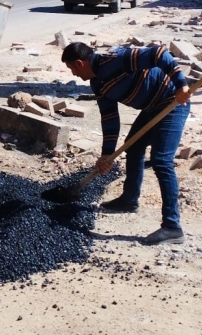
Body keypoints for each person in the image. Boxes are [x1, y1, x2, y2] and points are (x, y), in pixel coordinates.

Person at [60, 41, 192, 245]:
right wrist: (107, 154)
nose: (73, 74)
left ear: (79, 63)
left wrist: (182, 84)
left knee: (161, 161)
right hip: (151, 108)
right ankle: (129, 200)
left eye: (71, 69)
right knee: (134, 148)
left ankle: (172, 227)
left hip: (173, 102)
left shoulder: (115, 60)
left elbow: (158, 53)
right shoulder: (97, 83)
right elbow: (109, 116)